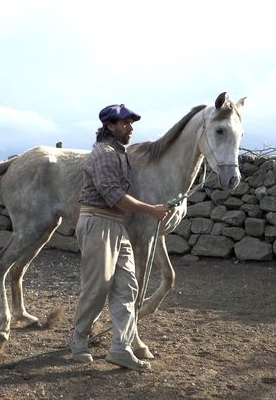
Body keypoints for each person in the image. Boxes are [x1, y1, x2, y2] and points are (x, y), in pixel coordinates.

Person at [70, 103, 170, 371]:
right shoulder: (103, 154)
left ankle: (120, 348)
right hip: (97, 223)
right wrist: (150, 210)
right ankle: (78, 340)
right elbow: (112, 195)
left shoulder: (118, 154)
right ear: (109, 126)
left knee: (128, 286)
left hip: (115, 225)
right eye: (124, 123)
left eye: (131, 123)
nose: (130, 127)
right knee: (97, 287)